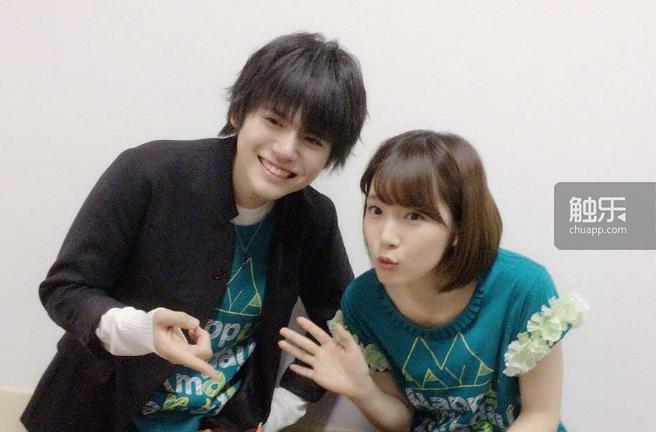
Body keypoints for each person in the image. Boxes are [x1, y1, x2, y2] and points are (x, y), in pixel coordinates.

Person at [21, 32, 367, 432]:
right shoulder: (149, 172)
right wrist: (140, 330)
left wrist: (279, 409)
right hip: (91, 413)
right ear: (239, 112)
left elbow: (343, 325)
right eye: (274, 121)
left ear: (330, 155)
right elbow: (66, 288)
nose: (286, 150)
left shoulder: (313, 217)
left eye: (312, 139)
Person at [278, 130, 587, 432]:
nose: (385, 237)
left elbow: (540, 416)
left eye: (414, 216)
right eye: (376, 210)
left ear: (459, 228)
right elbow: (402, 421)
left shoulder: (523, 288)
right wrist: (363, 391)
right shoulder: (362, 302)